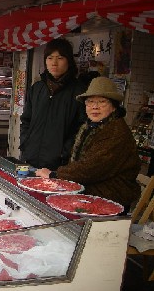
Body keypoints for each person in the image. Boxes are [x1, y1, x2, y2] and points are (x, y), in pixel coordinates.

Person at [36, 77, 141, 210]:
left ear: (114, 107)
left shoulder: (116, 131)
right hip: (91, 194)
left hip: (110, 200)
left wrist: (55, 174)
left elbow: (91, 168)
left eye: (102, 102)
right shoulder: (92, 126)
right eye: (90, 102)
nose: (95, 107)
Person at [20, 37, 87, 170]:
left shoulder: (80, 91)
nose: (54, 63)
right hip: (31, 159)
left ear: (69, 61)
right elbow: (26, 120)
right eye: (50, 58)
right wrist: (26, 143)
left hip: (60, 165)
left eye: (60, 58)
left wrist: (64, 152)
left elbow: (82, 128)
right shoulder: (37, 88)